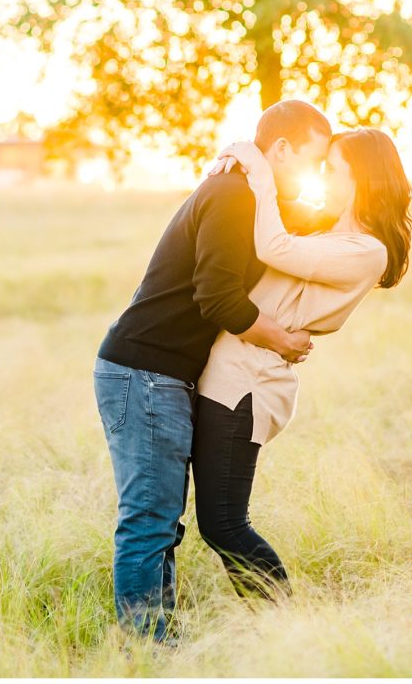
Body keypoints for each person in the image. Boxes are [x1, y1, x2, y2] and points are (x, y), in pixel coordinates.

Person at [92, 100, 332, 644]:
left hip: (161, 373)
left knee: (163, 525)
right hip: (143, 370)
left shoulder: (253, 195)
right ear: (283, 149)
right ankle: (146, 655)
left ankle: (162, 645)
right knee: (149, 522)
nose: (315, 175)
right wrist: (283, 339)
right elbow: (218, 298)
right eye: (312, 161)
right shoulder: (232, 194)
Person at [191, 128, 412, 601]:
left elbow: (274, 248)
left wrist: (255, 165)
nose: (323, 177)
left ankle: (283, 625)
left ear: (362, 179)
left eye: (332, 169)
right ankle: (277, 625)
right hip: (232, 373)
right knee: (219, 523)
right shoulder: (334, 230)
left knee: (225, 524)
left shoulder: (365, 250)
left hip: (246, 384)